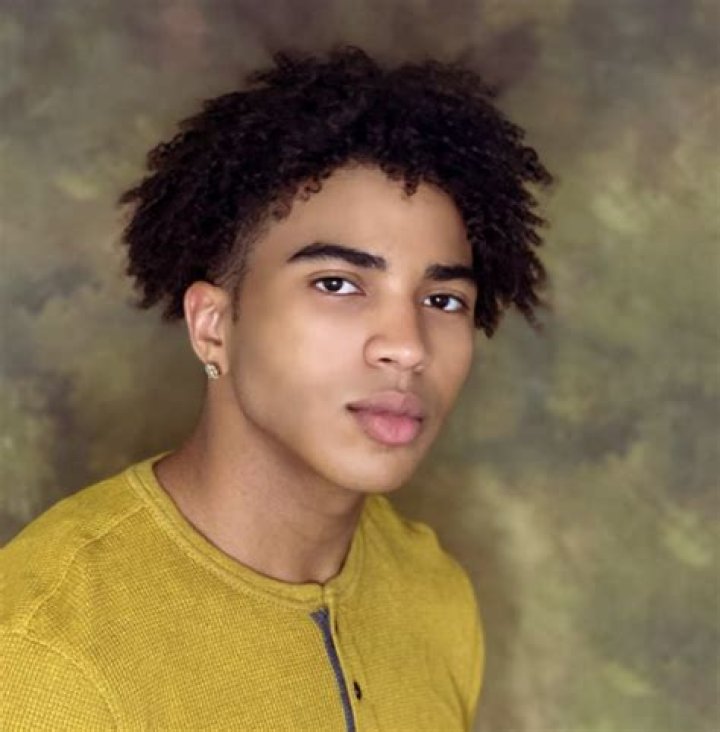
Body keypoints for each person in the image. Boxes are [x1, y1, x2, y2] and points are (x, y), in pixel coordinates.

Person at [1, 45, 552, 730]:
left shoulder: (433, 595)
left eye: (443, 300)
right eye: (338, 284)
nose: (408, 346)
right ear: (213, 326)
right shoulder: (45, 652)